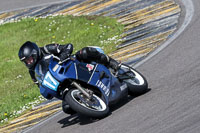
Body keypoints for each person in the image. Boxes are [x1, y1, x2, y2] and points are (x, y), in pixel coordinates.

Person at [18, 41, 120, 113]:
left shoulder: (46, 49)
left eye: (30, 59)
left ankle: (111, 63)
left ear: (35, 53)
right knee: (67, 108)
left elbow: (67, 46)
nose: (29, 62)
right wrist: (44, 90)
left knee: (85, 52)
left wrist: (63, 56)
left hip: (70, 65)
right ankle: (89, 105)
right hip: (60, 82)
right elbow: (38, 84)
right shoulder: (32, 71)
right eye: (26, 61)